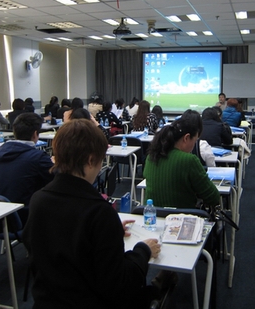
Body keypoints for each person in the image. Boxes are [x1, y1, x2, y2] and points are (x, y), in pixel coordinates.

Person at [23, 119, 160, 308]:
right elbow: (119, 286)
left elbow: (62, 241)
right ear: (90, 160)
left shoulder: (38, 199)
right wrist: (143, 251)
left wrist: (109, 233)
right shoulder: (99, 212)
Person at [143, 109, 220, 208]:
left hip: (153, 218)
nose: (194, 144)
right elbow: (213, 197)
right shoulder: (189, 160)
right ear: (186, 138)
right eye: (195, 140)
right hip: (183, 218)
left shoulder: (151, 156)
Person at [0, 113, 54, 225]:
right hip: (26, 214)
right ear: (35, 134)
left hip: (0, 214)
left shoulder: (1, 152)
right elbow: (57, 179)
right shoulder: (38, 157)